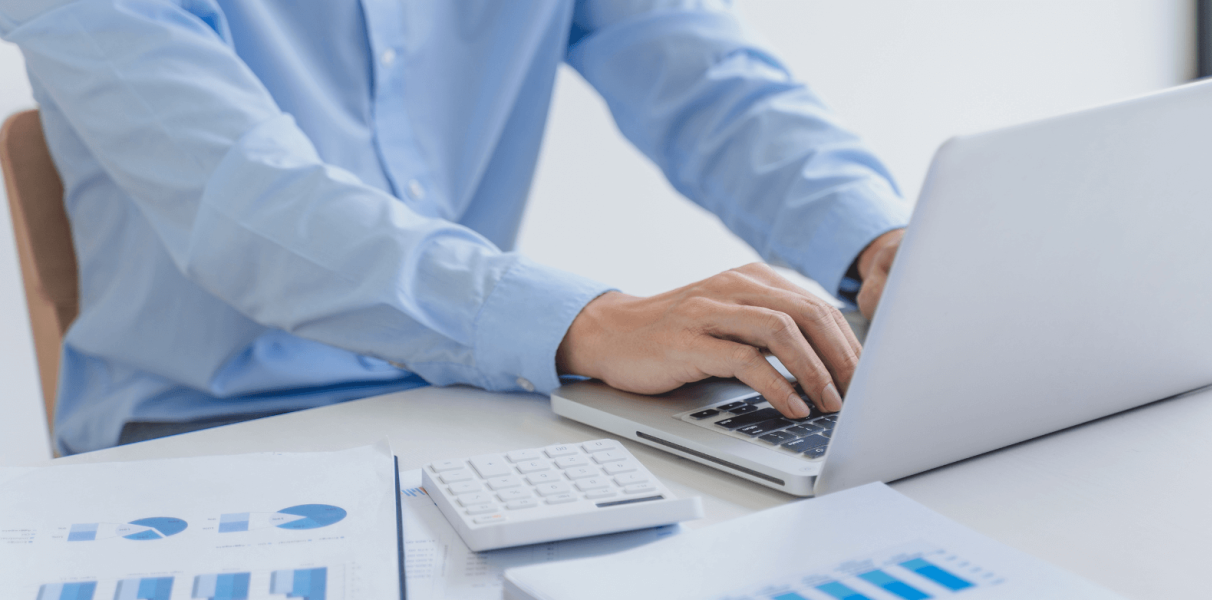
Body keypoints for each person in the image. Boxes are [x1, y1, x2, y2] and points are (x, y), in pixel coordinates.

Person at [1, 0, 909, 455]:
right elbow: (245, 202)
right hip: (205, 436)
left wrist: (874, 244)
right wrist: (592, 322)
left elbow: (710, 84)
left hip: (477, 404)